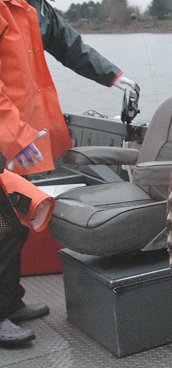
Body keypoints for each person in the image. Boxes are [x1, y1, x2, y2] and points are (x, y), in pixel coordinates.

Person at [0, 0, 138, 346]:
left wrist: (113, 76)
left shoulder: (33, 5)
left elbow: (68, 45)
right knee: (1, 226)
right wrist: (14, 134)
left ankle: (9, 301)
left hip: (19, 135)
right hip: (9, 134)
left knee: (15, 222)